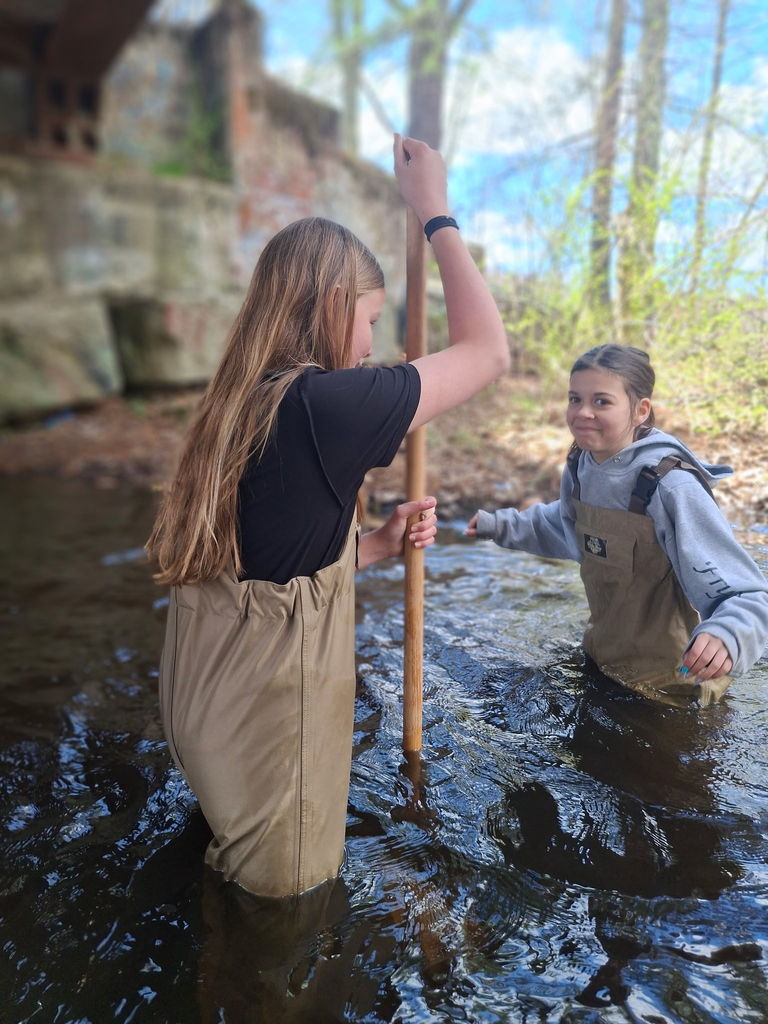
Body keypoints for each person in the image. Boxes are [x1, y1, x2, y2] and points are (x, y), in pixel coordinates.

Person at [146, 134, 510, 898]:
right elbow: (486, 352)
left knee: (227, 888)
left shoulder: (241, 400)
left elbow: (265, 554)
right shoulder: (325, 404)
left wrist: (370, 546)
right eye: (370, 318)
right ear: (332, 305)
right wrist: (435, 212)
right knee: (287, 915)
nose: (374, 341)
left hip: (205, 713)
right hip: (266, 731)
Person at [467, 344, 768, 706]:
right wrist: (496, 525)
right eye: (574, 398)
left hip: (672, 689)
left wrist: (728, 634)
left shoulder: (671, 486)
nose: (582, 413)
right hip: (602, 660)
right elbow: (563, 524)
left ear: (640, 410)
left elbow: (748, 594)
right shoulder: (581, 464)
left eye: (601, 402)